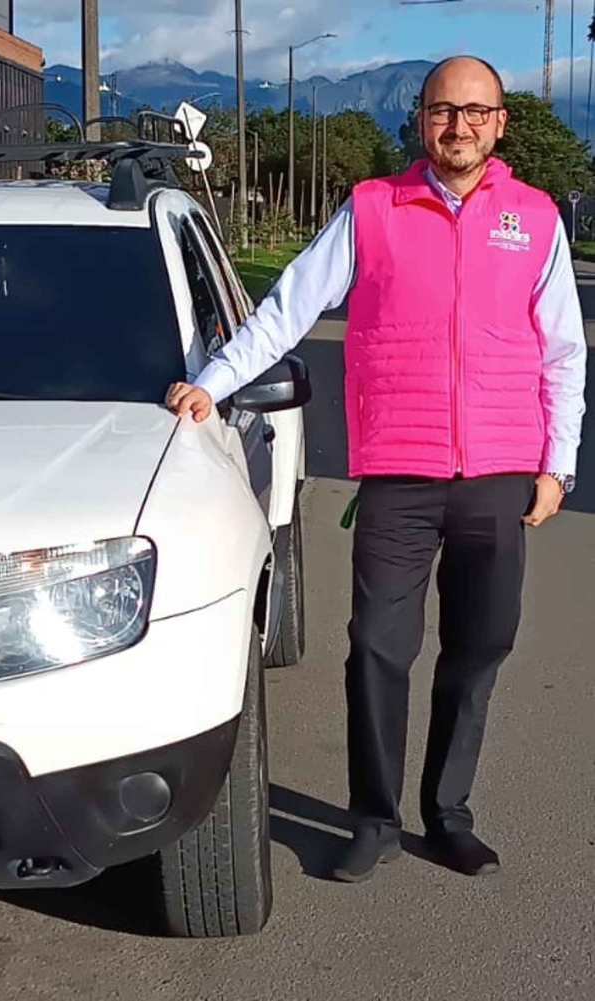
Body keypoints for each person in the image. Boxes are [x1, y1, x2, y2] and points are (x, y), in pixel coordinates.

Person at [167, 55, 587, 882]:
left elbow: (565, 352)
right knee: (379, 649)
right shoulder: (372, 210)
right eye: (442, 110)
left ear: (500, 123)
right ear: (420, 120)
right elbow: (288, 308)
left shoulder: (535, 219)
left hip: (501, 474)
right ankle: (374, 818)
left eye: (475, 111)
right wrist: (211, 384)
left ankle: (449, 812)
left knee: (480, 646)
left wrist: (558, 466)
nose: (458, 125)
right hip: (399, 473)